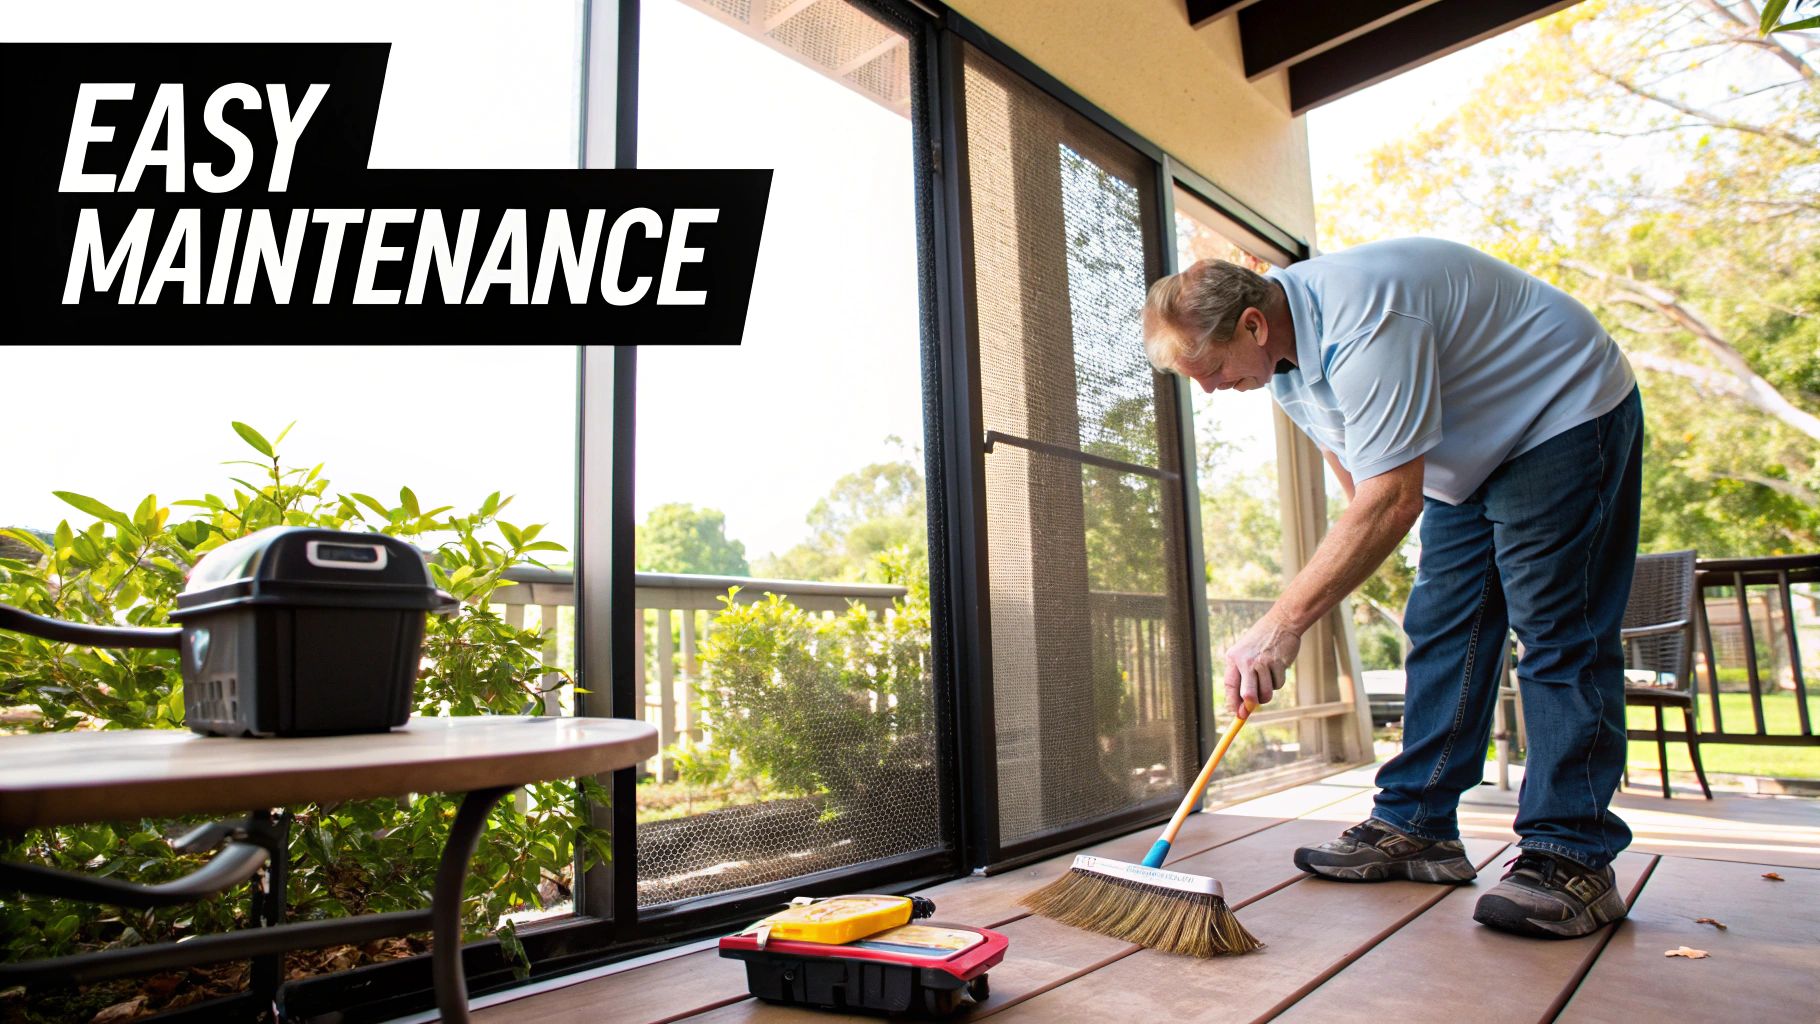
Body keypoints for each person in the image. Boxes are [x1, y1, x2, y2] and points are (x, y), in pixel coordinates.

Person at [1142, 237, 1642, 939]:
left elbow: (1392, 498)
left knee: (1558, 632)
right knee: (1442, 623)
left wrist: (1281, 624)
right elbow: (1363, 494)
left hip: (1557, 408)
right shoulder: (1284, 369)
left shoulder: (1364, 320)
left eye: (1214, 368)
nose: (1211, 389)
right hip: (1464, 457)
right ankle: (1418, 825)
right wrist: (1324, 593)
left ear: (1252, 325)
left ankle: (1571, 855)